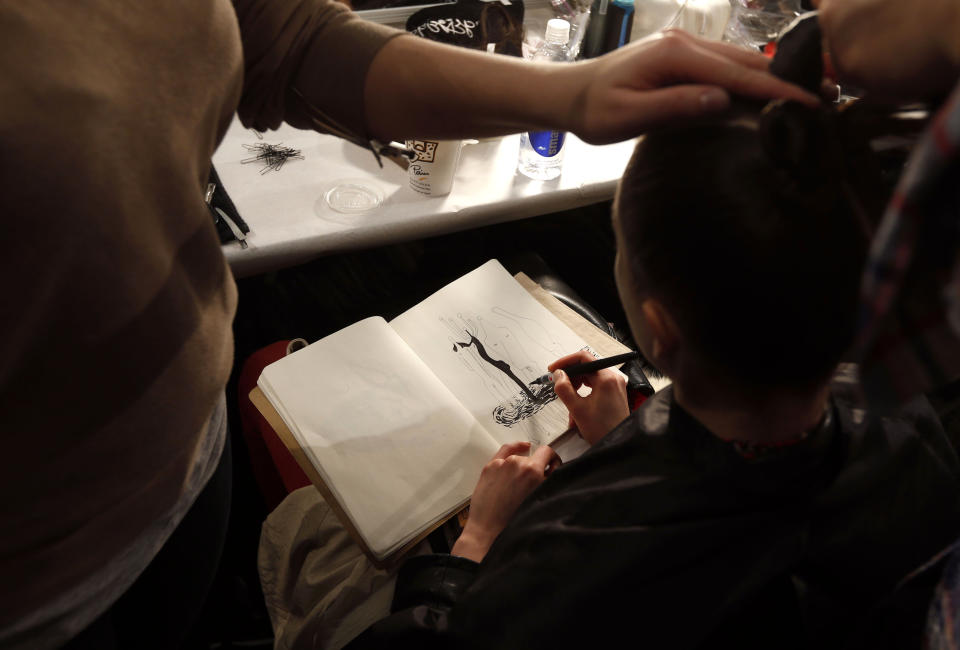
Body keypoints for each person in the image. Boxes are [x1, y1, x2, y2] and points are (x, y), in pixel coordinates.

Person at [0, 0, 817, 647]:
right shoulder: (893, 462)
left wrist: (472, 553)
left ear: (653, 328)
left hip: (179, 465)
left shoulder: (590, 560)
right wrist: (616, 450)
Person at [342, 101, 960, 648]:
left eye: (619, 246)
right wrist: (623, 437)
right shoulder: (915, 429)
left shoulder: (572, 546)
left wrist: (473, 544)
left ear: (659, 331)